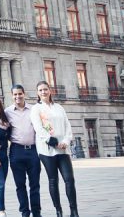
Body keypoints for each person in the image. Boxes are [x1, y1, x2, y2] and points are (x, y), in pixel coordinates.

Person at [30, 81, 79, 217]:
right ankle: (58, 211)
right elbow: (38, 128)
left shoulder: (59, 107)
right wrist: (53, 142)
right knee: (53, 180)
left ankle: (74, 211)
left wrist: (66, 141)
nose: (43, 92)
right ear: (37, 93)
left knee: (69, 179)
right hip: (47, 151)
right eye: (40, 90)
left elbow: (67, 126)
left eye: (45, 89)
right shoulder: (36, 109)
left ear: (50, 90)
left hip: (63, 150)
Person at [5, 84, 42, 217]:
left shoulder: (34, 109)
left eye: (20, 93)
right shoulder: (7, 112)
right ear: (12, 96)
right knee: (20, 185)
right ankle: (25, 212)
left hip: (33, 151)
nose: (18, 96)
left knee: (35, 184)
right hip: (16, 151)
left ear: (24, 94)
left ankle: (36, 212)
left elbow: (43, 126)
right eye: (15, 94)